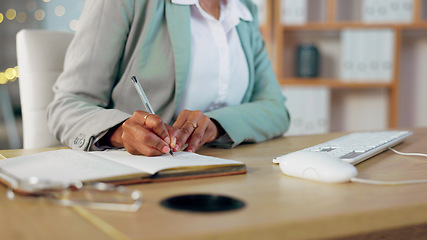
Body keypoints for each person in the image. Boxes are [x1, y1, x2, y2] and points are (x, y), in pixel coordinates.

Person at [47, 0, 290, 156]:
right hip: (141, 178)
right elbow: (65, 106)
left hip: (226, 173)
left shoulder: (244, 10)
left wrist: (214, 126)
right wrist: (120, 132)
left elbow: (275, 109)